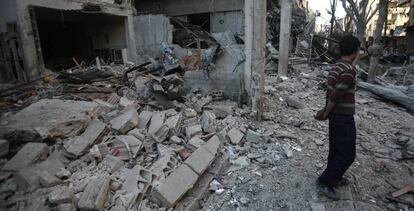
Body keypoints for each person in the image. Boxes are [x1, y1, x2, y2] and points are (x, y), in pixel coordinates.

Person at [315, 34, 360, 200]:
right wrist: (325, 112)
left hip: (335, 116)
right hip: (342, 117)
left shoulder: (335, 67)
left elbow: (330, 93)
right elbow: (336, 95)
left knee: (336, 150)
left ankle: (334, 177)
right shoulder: (349, 70)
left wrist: (326, 111)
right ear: (355, 51)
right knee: (348, 153)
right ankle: (325, 182)